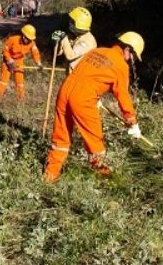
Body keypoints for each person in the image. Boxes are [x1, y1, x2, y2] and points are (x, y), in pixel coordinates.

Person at [44, 32, 145, 183]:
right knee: (95, 141)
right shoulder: (121, 65)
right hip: (83, 98)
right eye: (133, 56)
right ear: (127, 49)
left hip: (65, 90)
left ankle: (50, 175)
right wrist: (132, 122)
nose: (132, 60)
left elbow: (87, 74)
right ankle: (104, 180)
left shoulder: (97, 51)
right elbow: (122, 96)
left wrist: (95, 97)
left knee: (61, 136)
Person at [0, 24, 43, 100]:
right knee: (4, 80)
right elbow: (5, 50)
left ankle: (21, 99)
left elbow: (35, 53)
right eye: (28, 38)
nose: (29, 41)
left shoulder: (32, 43)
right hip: (7, 61)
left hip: (19, 61)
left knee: (19, 82)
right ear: (23, 36)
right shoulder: (13, 39)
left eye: (30, 39)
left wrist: (38, 63)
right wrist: (9, 60)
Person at [51, 6, 98, 73]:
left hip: (81, 76)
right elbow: (59, 53)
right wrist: (57, 42)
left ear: (78, 23)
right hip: (71, 74)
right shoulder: (75, 35)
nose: (69, 23)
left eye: (72, 21)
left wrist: (64, 38)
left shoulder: (88, 41)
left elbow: (70, 55)